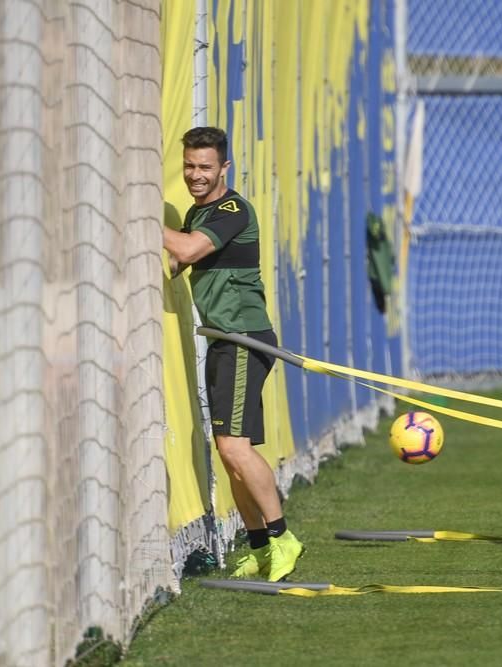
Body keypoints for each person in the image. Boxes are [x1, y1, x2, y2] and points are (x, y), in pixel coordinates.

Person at [162, 126, 306, 580]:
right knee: (229, 453)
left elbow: (183, 248)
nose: (195, 175)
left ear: (224, 167)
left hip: (245, 340)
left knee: (233, 447)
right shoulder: (197, 213)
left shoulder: (231, 210)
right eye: (189, 166)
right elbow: (175, 264)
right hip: (224, 342)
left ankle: (284, 538)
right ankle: (260, 546)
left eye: (205, 167)